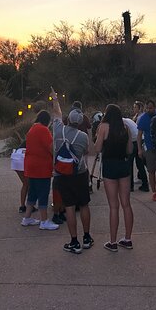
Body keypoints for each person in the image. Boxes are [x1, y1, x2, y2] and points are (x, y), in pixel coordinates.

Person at [51, 89, 94, 253]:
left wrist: (55, 99)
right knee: (84, 205)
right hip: (79, 174)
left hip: (62, 174)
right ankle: (87, 237)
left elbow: (56, 112)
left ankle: (74, 242)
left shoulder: (57, 130)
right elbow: (85, 153)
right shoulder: (83, 136)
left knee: (69, 207)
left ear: (68, 119)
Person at [94, 103, 134, 252]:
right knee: (126, 204)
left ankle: (113, 242)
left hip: (110, 166)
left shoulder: (103, 127)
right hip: (123, 165)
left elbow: (97, 148)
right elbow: (130, 149)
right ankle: (128, 239)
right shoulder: (126, 128)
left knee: (113, 206)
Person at [21, 110, 59, 231]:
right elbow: (51, 147)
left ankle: (27, 217)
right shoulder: (43, 130)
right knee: (43, 192)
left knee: (32, 192)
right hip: (41, 167)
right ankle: (44, 220)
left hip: (30, 166)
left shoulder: (32, 129)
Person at [137, 100, 156, 201]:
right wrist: (139, 149)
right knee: (151, 171)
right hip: (150, 148)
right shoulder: (143, 119)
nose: (148, 110)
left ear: (155, 107)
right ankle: (154, 192)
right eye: (147, 108)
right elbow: (139, 135)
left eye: (150, 108)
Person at [128, 102, 149, 192]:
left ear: (140, 108)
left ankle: (130, 186)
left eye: (135, 107)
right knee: (140, 164)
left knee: (130, 164)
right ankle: (145, 184)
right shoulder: (135, 117)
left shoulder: (141, 117)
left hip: (136, 141)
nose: (134, 109)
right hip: (138, 141)